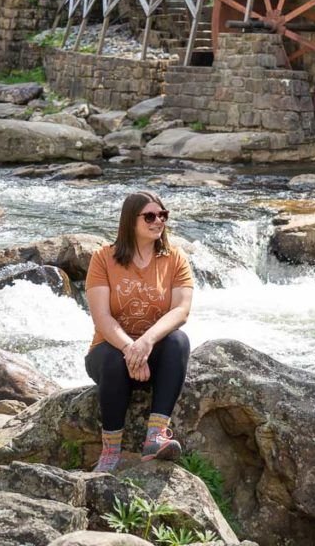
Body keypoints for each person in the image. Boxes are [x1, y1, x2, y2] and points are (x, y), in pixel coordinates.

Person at [84, 189, 194, 473]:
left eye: (162, 215)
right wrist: (130, 349)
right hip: (111, 354)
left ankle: (156, 437)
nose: (158, 221)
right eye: (149, 216)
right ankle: (110, 453)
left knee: (179, 342)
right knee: (110, 358)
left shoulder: (175, 259)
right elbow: (102, 318)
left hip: (152, 353)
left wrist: (145, 342)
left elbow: (181, 310)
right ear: (129, 222)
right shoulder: (102, 258)